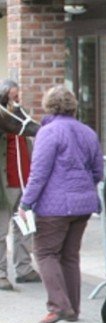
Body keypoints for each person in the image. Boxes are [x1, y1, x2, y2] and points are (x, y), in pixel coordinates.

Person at [18, 85, 104, 323]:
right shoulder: (88, 132)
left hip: (53, 206)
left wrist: (26, 203)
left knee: (45, 253)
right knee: (70, 256)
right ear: (73, 106)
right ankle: (73, 308)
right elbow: (98, 170)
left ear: (48, 105)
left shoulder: (48, 132)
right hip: (84, 204)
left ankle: (58, 305)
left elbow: (39, 173)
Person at [0, 79, 41, 290]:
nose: (16, 102)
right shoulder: (5, 119)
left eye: (17, 97)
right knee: (1, 230)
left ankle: (24, 269)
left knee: (25, 228)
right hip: (4, 184)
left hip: (25, 182)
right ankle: (0, 273)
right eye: (12, 98)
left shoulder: (20, 116)